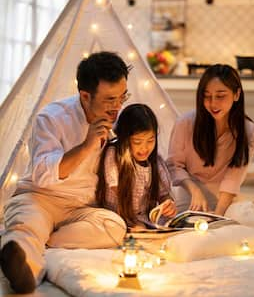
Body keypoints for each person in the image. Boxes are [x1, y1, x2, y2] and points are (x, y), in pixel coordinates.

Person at [0, 51, 131, 294]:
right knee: (25, 226)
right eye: (110, 99)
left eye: (122, 97)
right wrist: (86, 146)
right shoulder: (51, 117)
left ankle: (43, 243)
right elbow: (42, 174)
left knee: (115, 226)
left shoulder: (119, 118)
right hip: (40, 196)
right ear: (85, 95)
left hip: (80, 208)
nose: (117, 106)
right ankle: (21, 264)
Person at [167, 64, 254, 217]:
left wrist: (217, 217)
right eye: (207, 96)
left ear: (236, 94)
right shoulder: (185, 123)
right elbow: (174, 165)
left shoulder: (249, 131)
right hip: (190, 198)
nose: (213, 103)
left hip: (226, 200)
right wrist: (194, 191)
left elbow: (233, 179)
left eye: (220, 96)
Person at [96, 103, 177, 229]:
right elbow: (118, 194)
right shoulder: (114, 156)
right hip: (116, 217)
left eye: (150, 140)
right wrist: (135, 223)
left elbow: (163, 194)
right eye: (137, 142)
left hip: (143, 219)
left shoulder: (155, 162)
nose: (144, 148)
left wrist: (168, 204)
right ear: (124, 138)